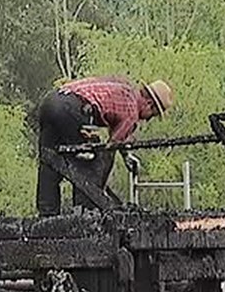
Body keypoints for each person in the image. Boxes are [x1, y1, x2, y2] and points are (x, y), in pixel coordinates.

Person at [34, 76, 174, 216]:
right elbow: (111, 147)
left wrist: (126, 155)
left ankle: (46, 216)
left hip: (50, 103)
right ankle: (86, 215)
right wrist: (100, 186)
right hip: (71, 109)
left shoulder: (123, 88)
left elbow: (116, 133)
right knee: (89, 163)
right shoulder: (132, 111)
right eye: (151, 115)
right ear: (149, 104)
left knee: (49, 161)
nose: (147, 120)